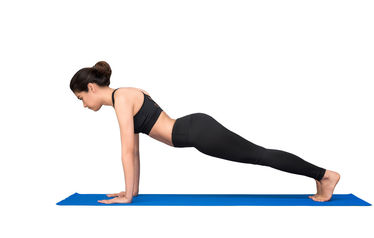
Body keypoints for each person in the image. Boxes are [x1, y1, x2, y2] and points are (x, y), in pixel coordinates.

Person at [70, 61, 341, 204]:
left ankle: (325, 176)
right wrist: (134, 192)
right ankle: (320, 177)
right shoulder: (127, 94)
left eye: (81, 98)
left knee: (259, 155)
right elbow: (135, 152)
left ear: (92, 87)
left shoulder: (121, 100)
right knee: (259, 154)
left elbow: (127, 151)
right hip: (196, 128)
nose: (83, 105)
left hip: (198, 132)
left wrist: (127, 196)